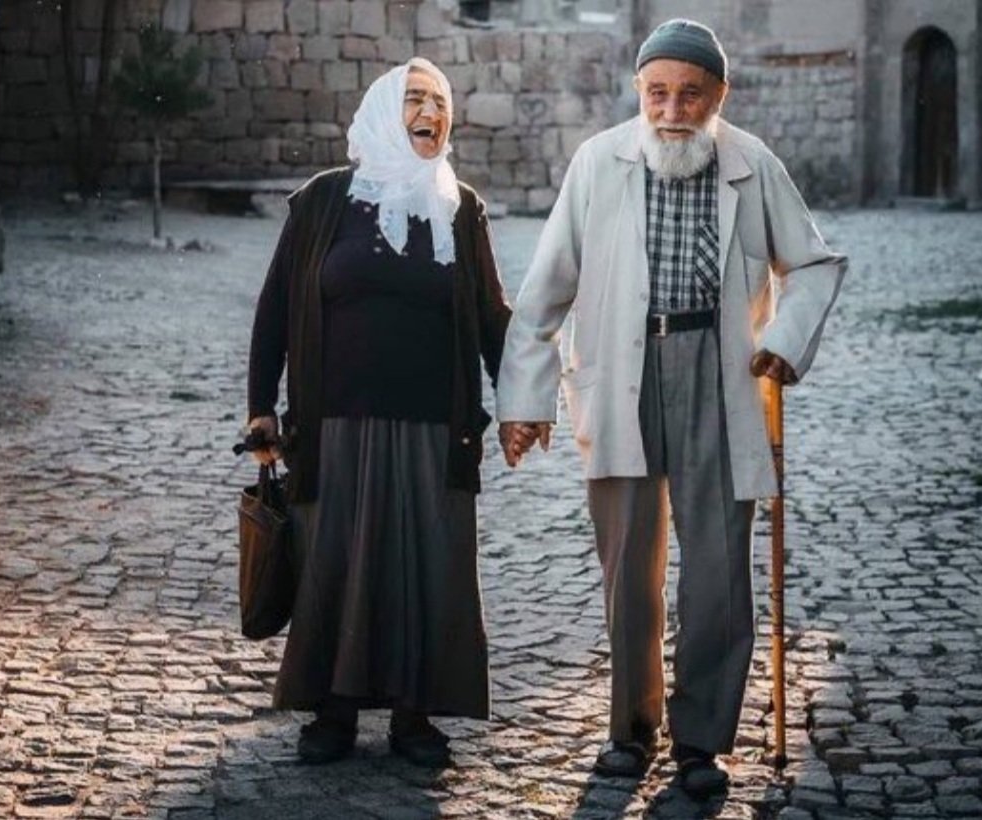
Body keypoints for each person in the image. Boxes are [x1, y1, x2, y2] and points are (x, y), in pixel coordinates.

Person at [496, 19, 847, 797]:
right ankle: (629, 728)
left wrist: (782, 341)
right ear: (638, 93)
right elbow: (546, 286)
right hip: (621, 366)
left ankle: (701, 740)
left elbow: (815, 265)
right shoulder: (598, 162)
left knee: (718, 568)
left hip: (719, 373)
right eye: (657, 93)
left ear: (717, 96)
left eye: (690, 94)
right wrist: (524, 397)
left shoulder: (751, 164)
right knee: (629, 568)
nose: (672, 109)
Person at [246, 57, 510, 768]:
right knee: (336, 560)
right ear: (382, 110)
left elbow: (491, 317)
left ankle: (413, 715)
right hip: (334, 423)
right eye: (414, 99)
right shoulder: (324, 201)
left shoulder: (461, 207)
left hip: (433, 425)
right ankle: (331, 711)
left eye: (440, 101)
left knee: (426, 563)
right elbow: (275, 309)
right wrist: (259, 408)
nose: (430, 112)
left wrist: (521, 400)